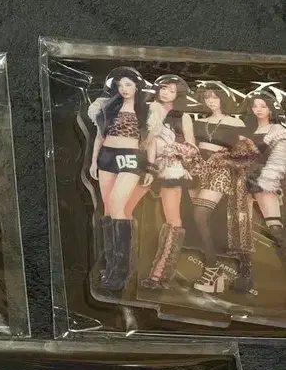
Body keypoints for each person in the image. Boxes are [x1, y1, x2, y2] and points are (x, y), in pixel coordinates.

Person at [188, 83, 257, 295]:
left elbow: (249, 152)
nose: (210, 101)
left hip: (221, 171)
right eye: (207, 97)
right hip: (199, 171)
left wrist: (226, 159)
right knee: (198, 219)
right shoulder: (199, 122)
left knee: (200, 213)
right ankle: (215, 273)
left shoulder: (235, 122)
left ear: (223, 99)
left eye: (215, 97)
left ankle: (212, 268)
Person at [87, 68, 151, 293]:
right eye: (120, 85)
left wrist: (150, 167)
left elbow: (149, 142)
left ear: (137, 86)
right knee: (107, 208)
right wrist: (93, 162)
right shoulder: (107, 108)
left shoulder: (146, 110)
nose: (124, 89)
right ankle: (110, 265)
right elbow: (99, 136)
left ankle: (121, 271)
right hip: (107, 156)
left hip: (130, 158)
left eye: (128, 84)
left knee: (117, 204)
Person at [140, 75, 198, 290]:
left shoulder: (182, 117)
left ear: (178, 95)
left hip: (170, 169)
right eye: (164, 88)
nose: (166, 93)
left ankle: (159, 275)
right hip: (140, 165)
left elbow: (191, 147)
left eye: (172, 90)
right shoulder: (147, 110)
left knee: (173, 220)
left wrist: (174, 150)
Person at [241, 92, 286, 289]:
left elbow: (279, 160)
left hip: (264, 180)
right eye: (255, 106)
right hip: (242, 180)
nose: (258, 109)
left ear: (270, 108)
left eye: (263, 106)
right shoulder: (247, 129)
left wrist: (265, 180)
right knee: (242, 230)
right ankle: (245, 275)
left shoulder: (278, 130)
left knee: (275, 228)